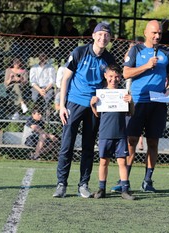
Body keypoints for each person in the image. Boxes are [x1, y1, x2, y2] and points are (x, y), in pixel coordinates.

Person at [52, 22, 116, 198]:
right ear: (94, 36)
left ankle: (83, 184)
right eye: (100, 34)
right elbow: (65, 79)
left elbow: (110, 82)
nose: (103, 38)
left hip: (94, 106)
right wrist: (62, 106)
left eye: (107, 35)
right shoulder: (79, 52)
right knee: (67, 144)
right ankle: (61, 184)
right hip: (74, 103)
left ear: (110, 39)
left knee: (88, 146)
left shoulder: (109, 59)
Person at [122, 20, 169, 193]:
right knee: (131, 141)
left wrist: (168, 90)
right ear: (146, 33)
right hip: (137, 102)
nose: (157, 36)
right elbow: (126, 73)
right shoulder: (136, 50)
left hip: (158, 104)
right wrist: (146, 66)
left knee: (153, 142)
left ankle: (147, 181)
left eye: (159, 33)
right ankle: (124, 181)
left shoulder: (167, 53)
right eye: (154, 33)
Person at [90, 64, 135, 200]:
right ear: (105, 76)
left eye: (116, 77)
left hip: (121, 134)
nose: (113, 79)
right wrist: (93, 105)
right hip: (105, 133)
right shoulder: (101, 94)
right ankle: (101, 189)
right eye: (110, 76)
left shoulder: (123, 94)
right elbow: (97, 114)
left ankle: (125, 190)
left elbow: (131, 112)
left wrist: (131, 102)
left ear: (120, 77)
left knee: (122, 162)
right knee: (103, 161)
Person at [29, 53, 55, 120]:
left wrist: (45, 90)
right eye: (41, 56)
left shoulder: (51, 67)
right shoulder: (34, 67)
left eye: (44, 56)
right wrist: (40, 90)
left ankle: (46, 116)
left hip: (47, 87)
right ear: (39, 58)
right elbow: (32, 82)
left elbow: (52, 81)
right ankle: (36, 115)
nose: (43, 58)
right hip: (37, 87)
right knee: (35, 97)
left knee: (47, 98)